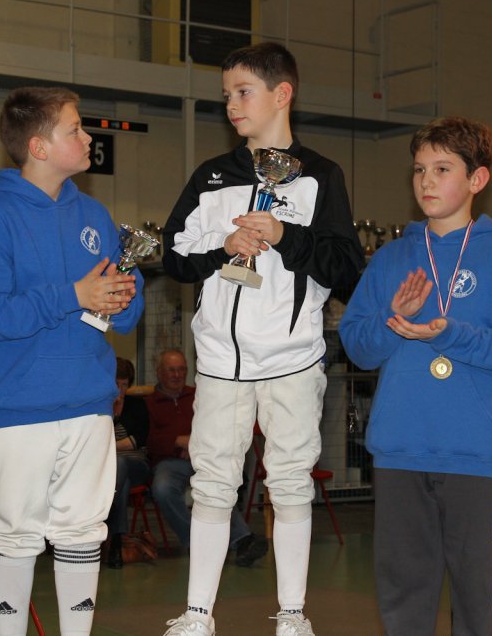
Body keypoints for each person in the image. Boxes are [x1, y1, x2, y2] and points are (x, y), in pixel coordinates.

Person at [160, 42, 364, 636]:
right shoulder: (211, 176)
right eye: (226, 94)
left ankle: (293, 616)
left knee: (291, 483)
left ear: (282, 94)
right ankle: (198, 615)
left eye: (243, 92)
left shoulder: (321, 175)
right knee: (212, 484)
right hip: (220, 361)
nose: (231, 104)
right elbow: (172, 257)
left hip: (293, 359)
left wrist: (284, 234)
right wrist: (221, 247)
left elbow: (347, 268)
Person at [338, 116, 492, 635]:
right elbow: (357, 347)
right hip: (401, 453)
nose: (426, 181)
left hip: (478, 458)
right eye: (419, 170)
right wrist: (394, 321)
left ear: (477, 179)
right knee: (404, 604)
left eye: (442, 169)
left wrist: (449, 334)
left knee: (481, 608)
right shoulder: (390, 259)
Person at [0, 85, 143, 636]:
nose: (88, 138)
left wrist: (123, 298)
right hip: (18, 410)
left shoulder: (94, 214)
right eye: (75, 129)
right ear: (38, 147)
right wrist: (74, 295)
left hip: (88, 405)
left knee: (83, 532)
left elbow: (124, 313)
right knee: (14, 535)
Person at [144, 349, 268, 566]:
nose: (177, 375)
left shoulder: (198, 395)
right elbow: (148, 439)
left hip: (203, 454)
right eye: (171, 370)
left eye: (181, 370)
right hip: (169, 462)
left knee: (219, 482)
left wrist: (193, 442)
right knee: (162, 488)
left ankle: (242, 540)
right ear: (159, 372)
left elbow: (215, 424)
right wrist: (177, 441)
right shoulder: (148, 403)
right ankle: (196, 540)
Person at [105, 357, 151, 569]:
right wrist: (113, 413)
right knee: (121, 484)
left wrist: (108, 447)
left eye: (125, 384)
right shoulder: (101, 407)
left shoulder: (136, 405)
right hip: (108, 471)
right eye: (117, 384)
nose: (121, 389)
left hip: (137, 466)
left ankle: (105, 511)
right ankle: (116, 542)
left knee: (121, 464)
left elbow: (138, 440)